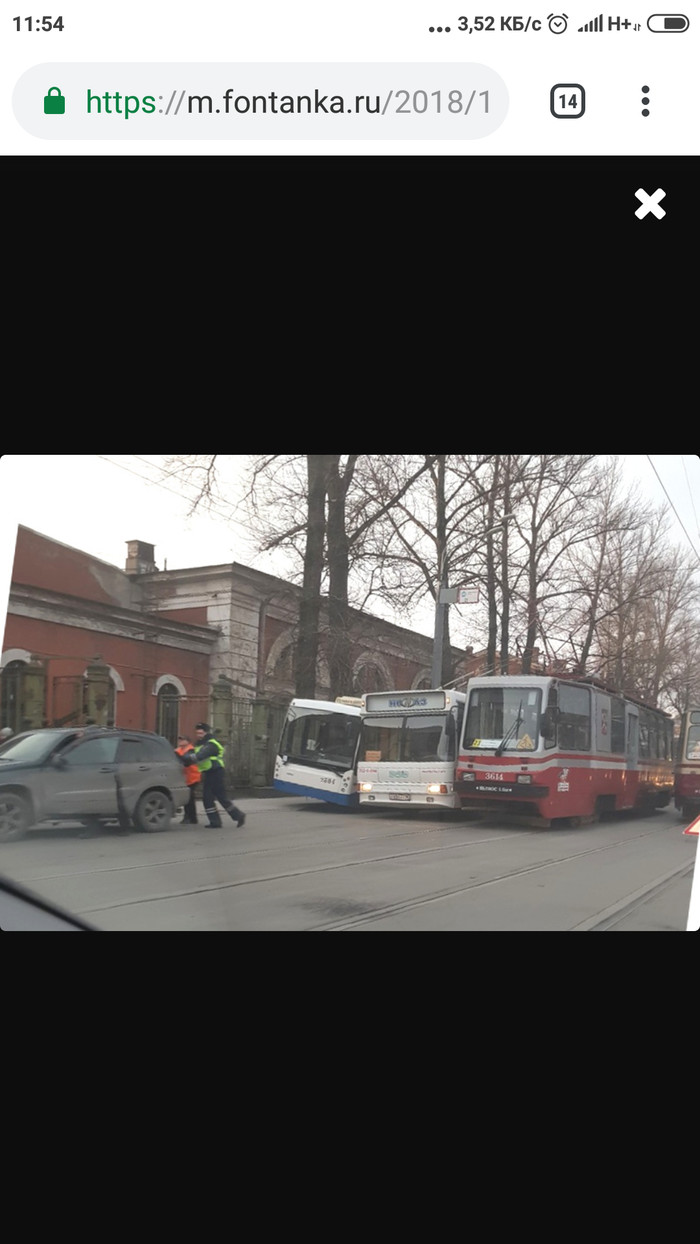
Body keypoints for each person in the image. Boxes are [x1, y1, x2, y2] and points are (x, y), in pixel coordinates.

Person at [180, 722, 245, 829]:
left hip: (216, 772)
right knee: (215, 797)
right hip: (209, 773)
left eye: (201, 733)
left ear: (206, 732)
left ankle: (228, 818)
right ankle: (230, 818)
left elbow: (200, 755)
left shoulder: (212, 743)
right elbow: (189, 754)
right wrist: (184, 759)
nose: (199, 735)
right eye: (197, 733)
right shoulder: (200, 743)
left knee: (213, 797)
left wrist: (188, 759)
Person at [175, 735, 201, 824]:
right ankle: (189, 817)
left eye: (182, 739)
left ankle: (191, 818)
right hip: (185, 778)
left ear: (188, 741)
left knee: (189, 798)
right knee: (188, 798)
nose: (180, 741)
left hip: (193, 777)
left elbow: (186, 760)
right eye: (179, 739)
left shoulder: (191, 750)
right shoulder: (178, 750)